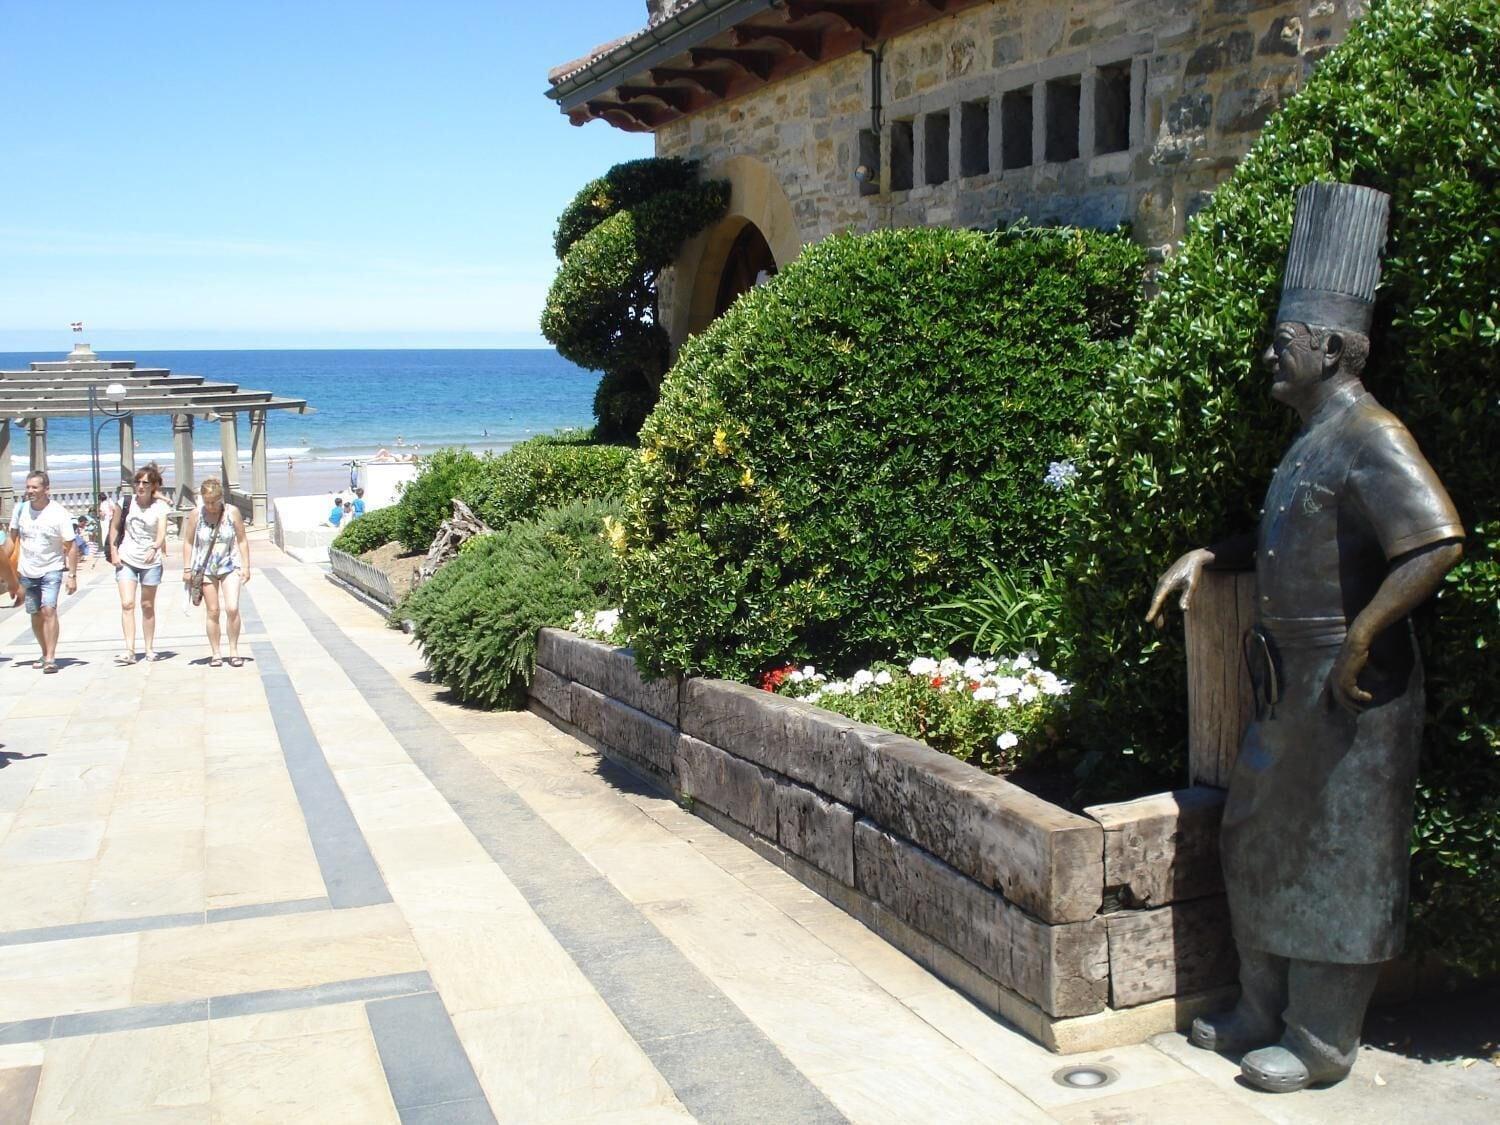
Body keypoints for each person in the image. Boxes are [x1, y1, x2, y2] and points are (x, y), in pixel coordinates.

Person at [1147, 184, 1464, 1093]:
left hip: (1352, 691)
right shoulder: (1312, 438)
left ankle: (1322, 1041)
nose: (1268, 355)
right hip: (1290, 685)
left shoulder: (1372, 434)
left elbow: (1435, 540)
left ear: (1330, 348)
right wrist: (1212, 552)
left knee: (1339, 852)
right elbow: (1295, 538)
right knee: (1257, 837)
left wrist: (1364, 633)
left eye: (1284, 343)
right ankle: (1260, 1008)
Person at [8, 471, 78, 673]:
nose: (30, 491)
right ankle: (44, 650)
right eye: (28, 487)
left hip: (51, 569)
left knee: (49, 610)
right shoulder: (20, 510)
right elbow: (12, 540)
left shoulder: (58, 513)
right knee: (35, 615)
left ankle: (50, 657)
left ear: (46, 489)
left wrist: (72, 576)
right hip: (27, 571)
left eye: (34, 487)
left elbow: (71, 546)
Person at [183, 478, 251, 667]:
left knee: (232, 608)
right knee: (213, 611)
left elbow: (242, 539)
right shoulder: (197, 514)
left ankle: (234, 650)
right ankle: (216, 652)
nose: (211, 506)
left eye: (214, 501)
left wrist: (246, 566)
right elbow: (188, 542)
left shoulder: (232, 512)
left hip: (229, 564)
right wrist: (187, 568)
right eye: (207, 501)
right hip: (205, 568)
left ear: (221, 498)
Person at [108, 464, 171, 665]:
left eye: (145, 483)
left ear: (154, 486)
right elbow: (115, 527)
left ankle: (149, 648)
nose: (140, 486)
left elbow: (161, 532)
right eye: (138, 482)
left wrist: (155, 547)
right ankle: (129, 649)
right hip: (126, 558)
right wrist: (113, 551)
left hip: (151, 561)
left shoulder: (160, 507)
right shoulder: (124, 502)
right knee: (127, 603)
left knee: (147, 605)